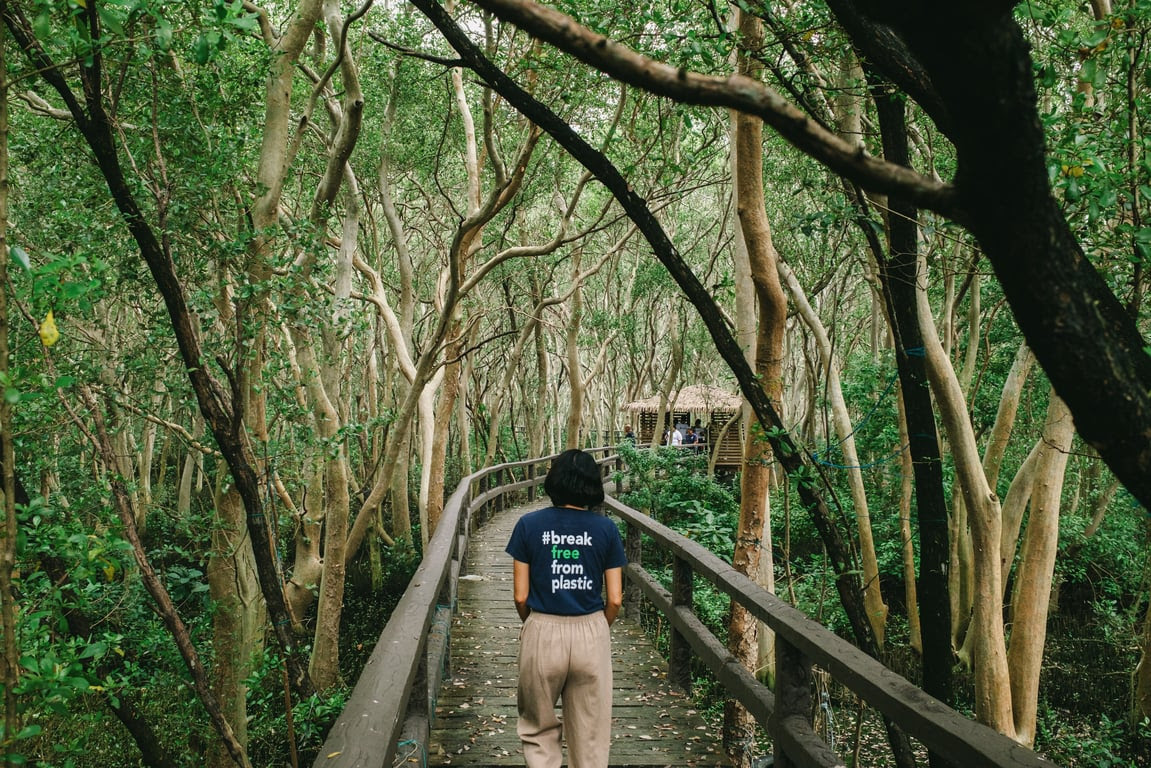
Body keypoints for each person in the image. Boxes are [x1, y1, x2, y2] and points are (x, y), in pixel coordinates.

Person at [505, 449, 627, 768]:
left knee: (539, 730)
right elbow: (615, 599)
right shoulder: (606, 530)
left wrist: (534, 625)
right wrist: (598, 628)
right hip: (591, 631)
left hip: (542, 628)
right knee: (589, 739)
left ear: (554, 482)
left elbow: (520, 596)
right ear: (592, 485)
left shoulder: (528, 525)